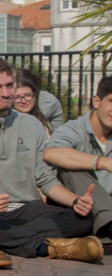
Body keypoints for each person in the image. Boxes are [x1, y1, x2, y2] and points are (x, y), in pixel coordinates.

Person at [0, 57, 102, 263]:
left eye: (9, 85)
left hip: (29, 209)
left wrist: (75, 201)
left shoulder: (32, 125)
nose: (6, 93)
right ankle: (47, 247)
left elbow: (46, 179)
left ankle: (1, 239)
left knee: (82, 219)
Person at [43, 75, 112, 242]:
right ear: (97, 101)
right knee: (70, 165)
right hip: (80, 204)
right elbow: (51, 153)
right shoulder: (74, 129)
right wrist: (102, 162)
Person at [13, 70, 53, 135]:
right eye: (17, 97)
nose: (23, 101)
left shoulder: (44, 124)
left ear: (34, 96)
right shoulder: (8, 125)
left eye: (28, 95)